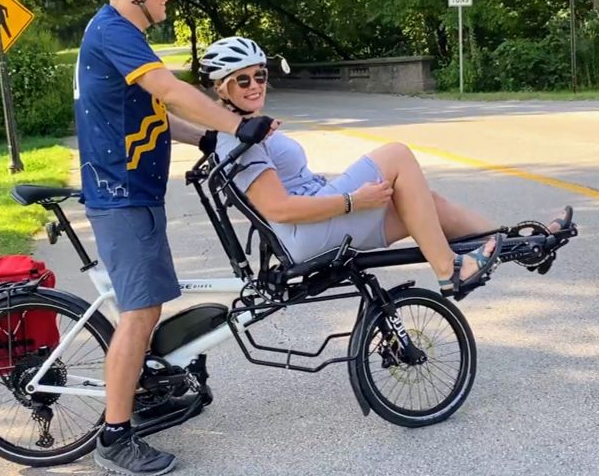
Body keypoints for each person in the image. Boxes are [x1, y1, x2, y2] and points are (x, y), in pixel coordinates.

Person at [76, 0, 277, 476]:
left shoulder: (121, 34)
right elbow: (167, 90)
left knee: (144, 309)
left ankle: (139, 397)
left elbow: (153, 114)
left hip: (132, 192)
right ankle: (115, 439)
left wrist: (205, 139)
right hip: (120, 195)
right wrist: (236, 124)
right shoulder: (115, 30)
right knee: (139, 313)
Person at [200, 36, 573, 296]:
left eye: (260, 76)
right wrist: (353, 201)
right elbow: (278, 208)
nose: (255, 85)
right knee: (396, 154)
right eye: (242, 80)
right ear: (221, 89)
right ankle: (449, 271)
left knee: (426, 203)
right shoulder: (239, 139)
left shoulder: (240, 130)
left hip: (313, 226)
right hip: (305, 234)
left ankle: (522, 246)